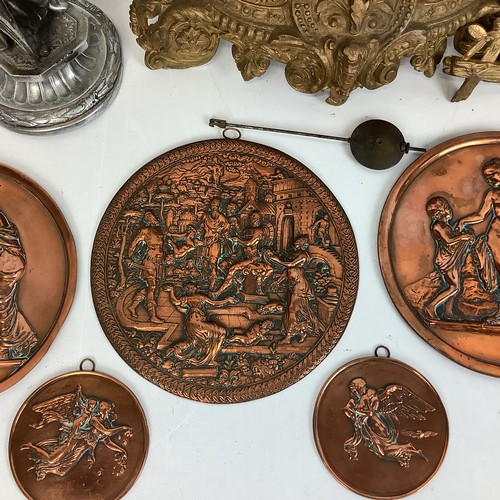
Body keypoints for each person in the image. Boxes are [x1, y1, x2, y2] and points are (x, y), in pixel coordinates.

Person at [458, 158, 500, 319]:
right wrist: (463, 221)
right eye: (487, 176)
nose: (491, 178)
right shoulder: (492, 194)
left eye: (493, 173)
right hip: (496, 235)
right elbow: (481, 215)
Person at [162, 283, 237, 366]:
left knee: (193, 341)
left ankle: (174, 348)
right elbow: (214, 303)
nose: (188, 290)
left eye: (188, 289)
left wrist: (171, 292)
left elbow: (176, 302)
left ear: (192, 289)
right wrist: (227, 300)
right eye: (187, 289)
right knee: (220, 332)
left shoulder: (187, 298)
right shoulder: (199, 297)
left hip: (193, 321)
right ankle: (210, 358)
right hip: (197, 321)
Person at [424, 196, 474, 319]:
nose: (449, 209)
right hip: (445, 259)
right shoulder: (438, 226)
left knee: (455, 287)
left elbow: (453, 239)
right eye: (445, 206)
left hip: (452, 257)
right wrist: (464, 237)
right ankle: (431, 306)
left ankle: (447, 312)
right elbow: (448, 240)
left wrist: (464, 235)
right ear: (439, 211)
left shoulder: (446, 226)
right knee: (454, 287)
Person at [265, 235, 319, 342]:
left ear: (303, 244)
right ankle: (301, 331)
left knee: (292, 309)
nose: (296, 242)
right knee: (295, 309)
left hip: (299, 285)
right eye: (296, 241)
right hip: (293, 285)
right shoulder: (295, 254)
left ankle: (289, 335)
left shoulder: (303, 255)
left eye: (298, 241)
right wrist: (278, 281)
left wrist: (277, 260)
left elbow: (290, 264)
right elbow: (288, 271)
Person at [0, 211, 38, 360]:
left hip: (8, 263)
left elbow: (8, 240)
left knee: (3, 306)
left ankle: (6, 346)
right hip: (9, 262)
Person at [126, 211, 164, 323]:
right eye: (151, 217)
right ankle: (152, 316)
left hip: (158, 263)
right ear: (147, 219)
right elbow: (134, 243)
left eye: (154, 216)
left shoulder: (159, 230)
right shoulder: (145, 231)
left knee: (151, 288)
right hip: (149, 262)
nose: (154, 218)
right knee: (152, 287)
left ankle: (133, 306)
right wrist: (129, 257)